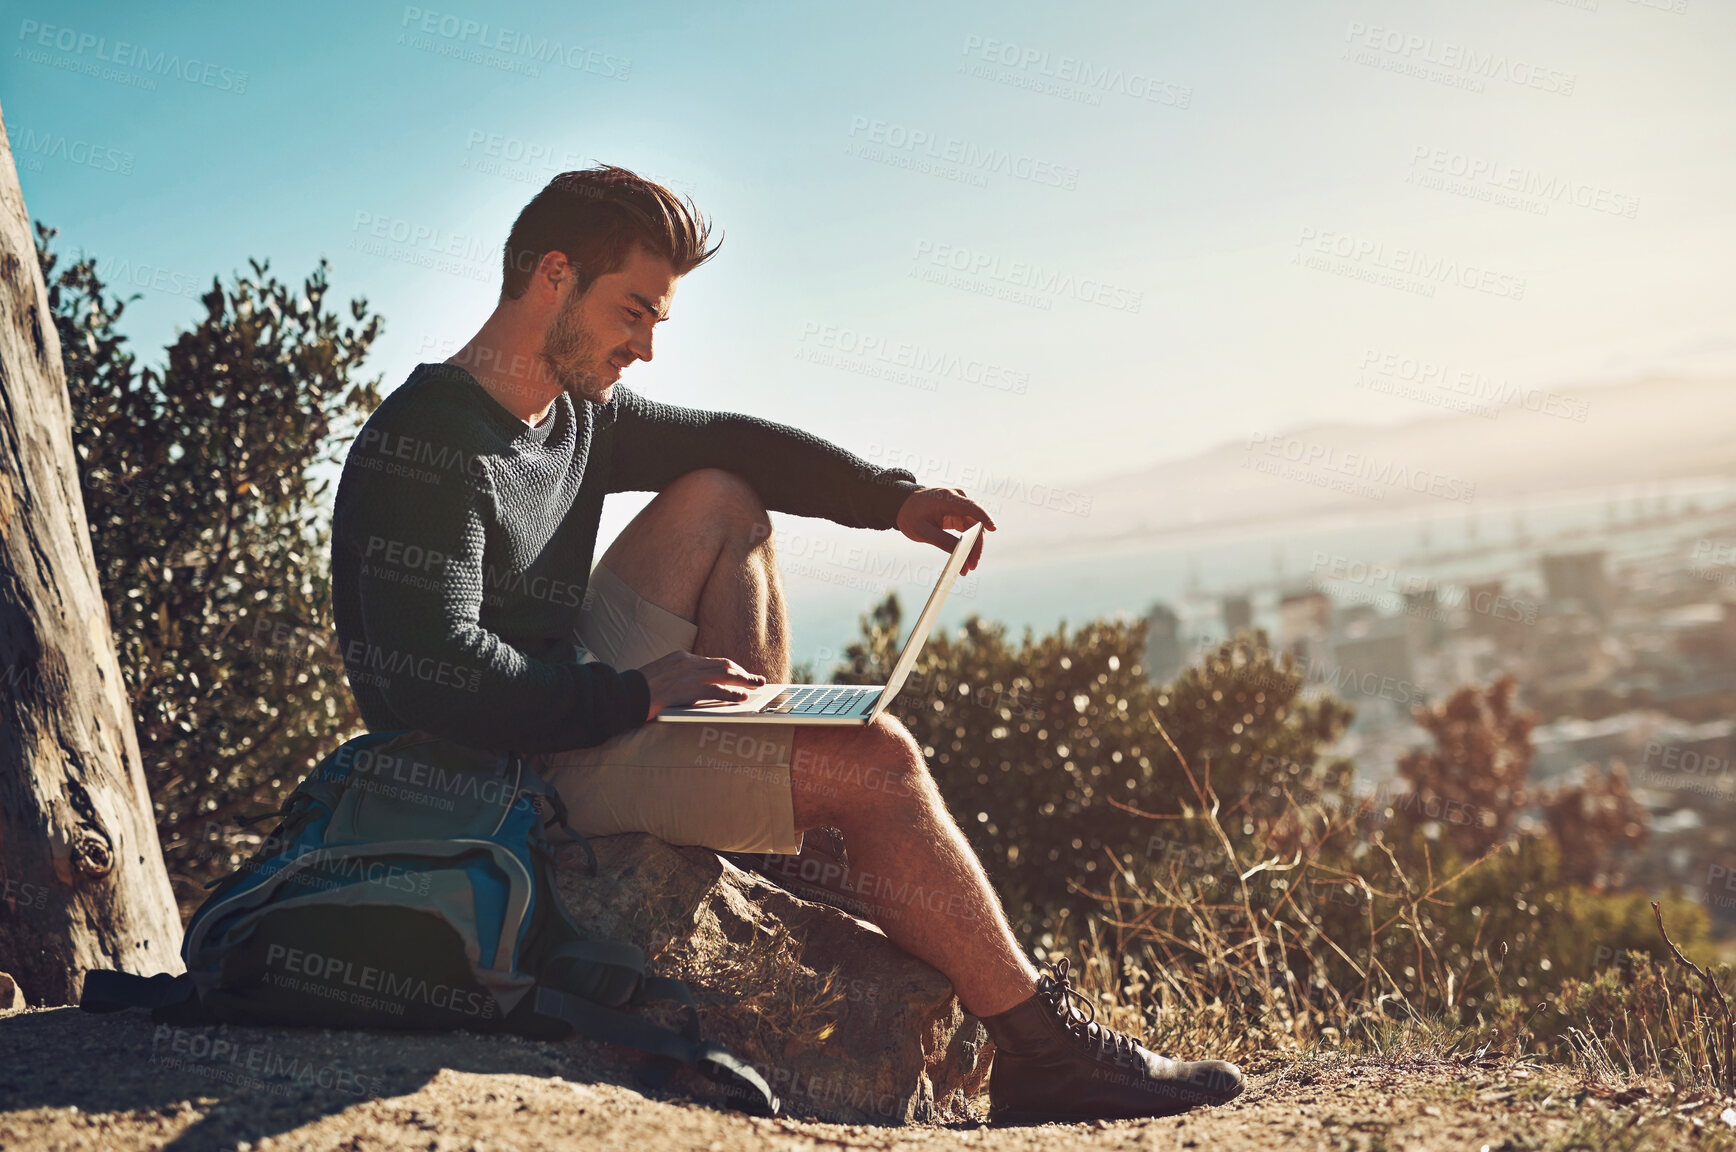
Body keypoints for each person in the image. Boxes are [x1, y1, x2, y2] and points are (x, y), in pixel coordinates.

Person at [329, 165, 1242, 1124]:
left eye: (656, 323)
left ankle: (755, 808)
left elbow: (732, 440)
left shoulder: (571, 413)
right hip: (499, 774)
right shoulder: (426, 451)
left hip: (562, 690)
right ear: (552, 274)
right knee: (877, 761)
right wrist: (634, 696)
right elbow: (437, 681)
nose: (643, 347)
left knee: (721, 495)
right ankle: (1045, 1052)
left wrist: (891, 499)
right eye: (632, 312)